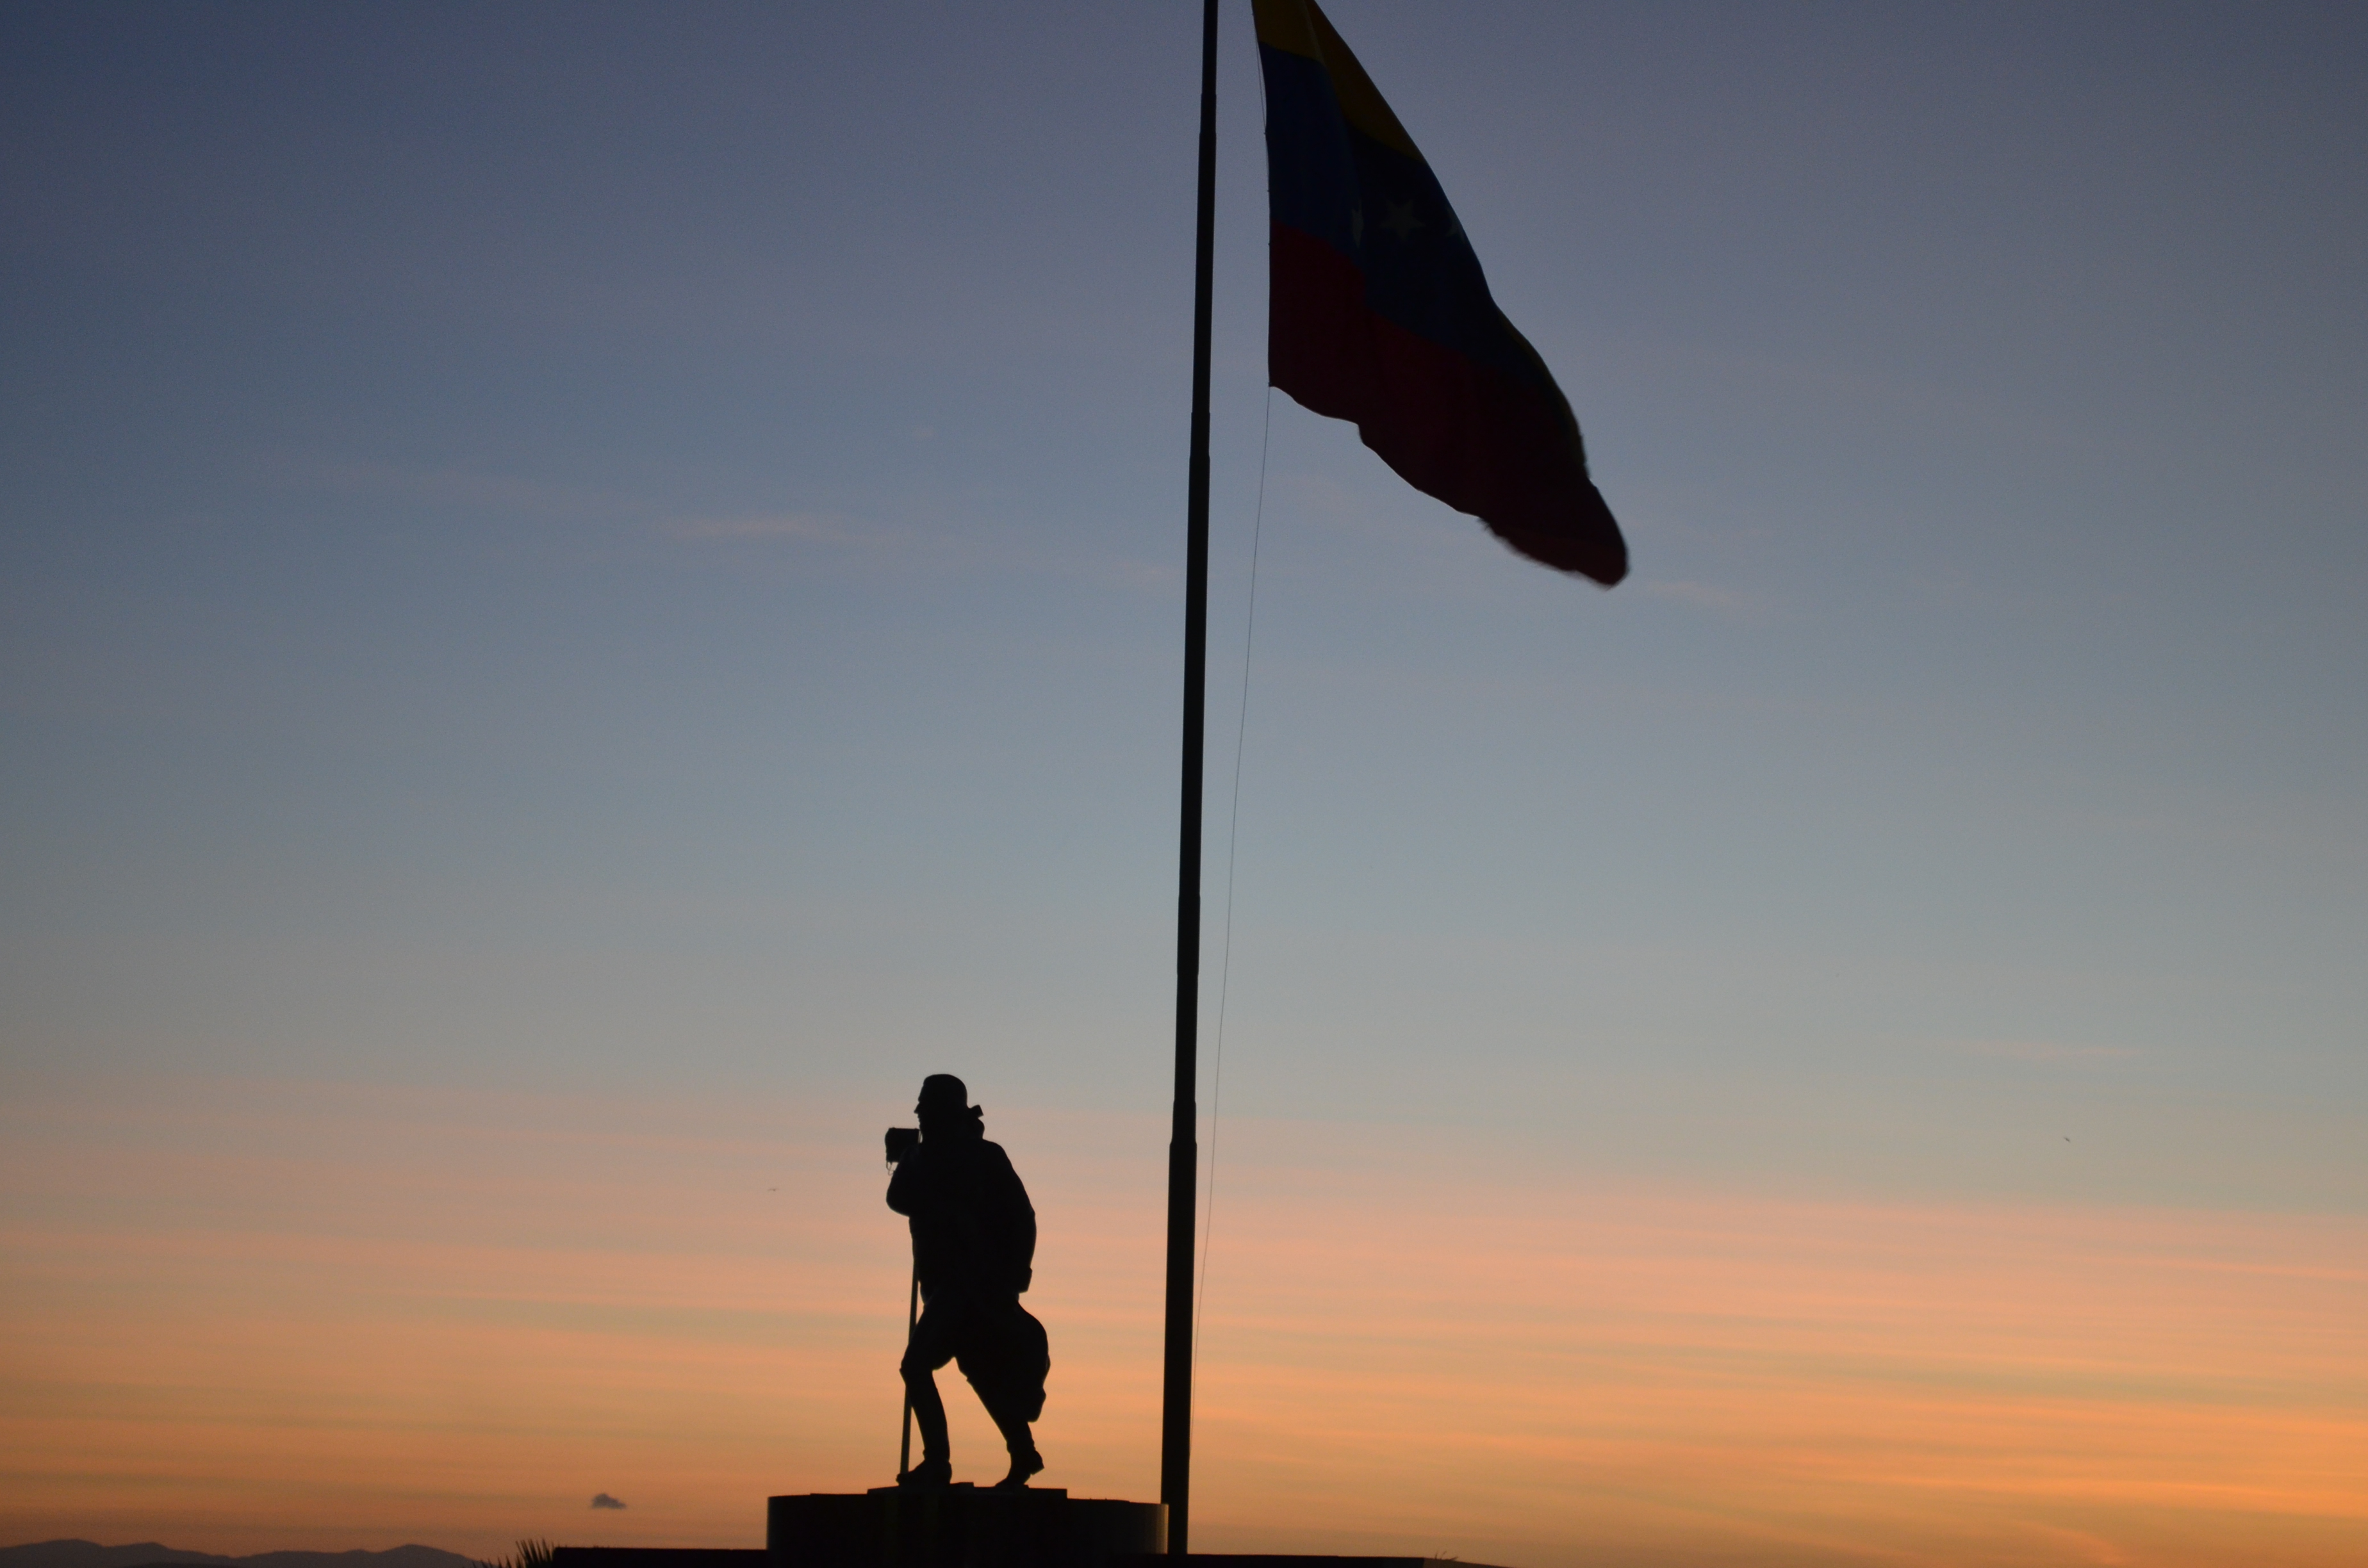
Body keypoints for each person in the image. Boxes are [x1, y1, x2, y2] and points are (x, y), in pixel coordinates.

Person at [887, 1074, 1049, 1488]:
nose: (919, 1112)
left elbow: (1022, 1217)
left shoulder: (983, 1157)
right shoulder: (919, 1159)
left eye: (926, 1104)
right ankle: (1023, 1452)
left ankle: (938, 1462)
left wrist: (1014, 1274)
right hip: (941, 1285)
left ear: (946, 1110)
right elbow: (898, 1199)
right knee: (980, 1368)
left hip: (970, 1284)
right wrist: (913, 1161)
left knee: (917, 1365)